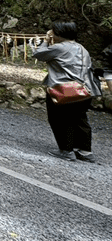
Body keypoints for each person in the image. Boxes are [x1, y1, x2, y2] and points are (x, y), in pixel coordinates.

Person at [32, 22, 101, 162]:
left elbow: (38, 54)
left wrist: (46, 41)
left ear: (59, 34)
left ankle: (66, 150)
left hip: (64, 90)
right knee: (80, 119)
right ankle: (85, 151)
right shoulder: (82, 48)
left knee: (60, 119)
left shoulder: (59, 48)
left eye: (54, 32)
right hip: (85, 90)